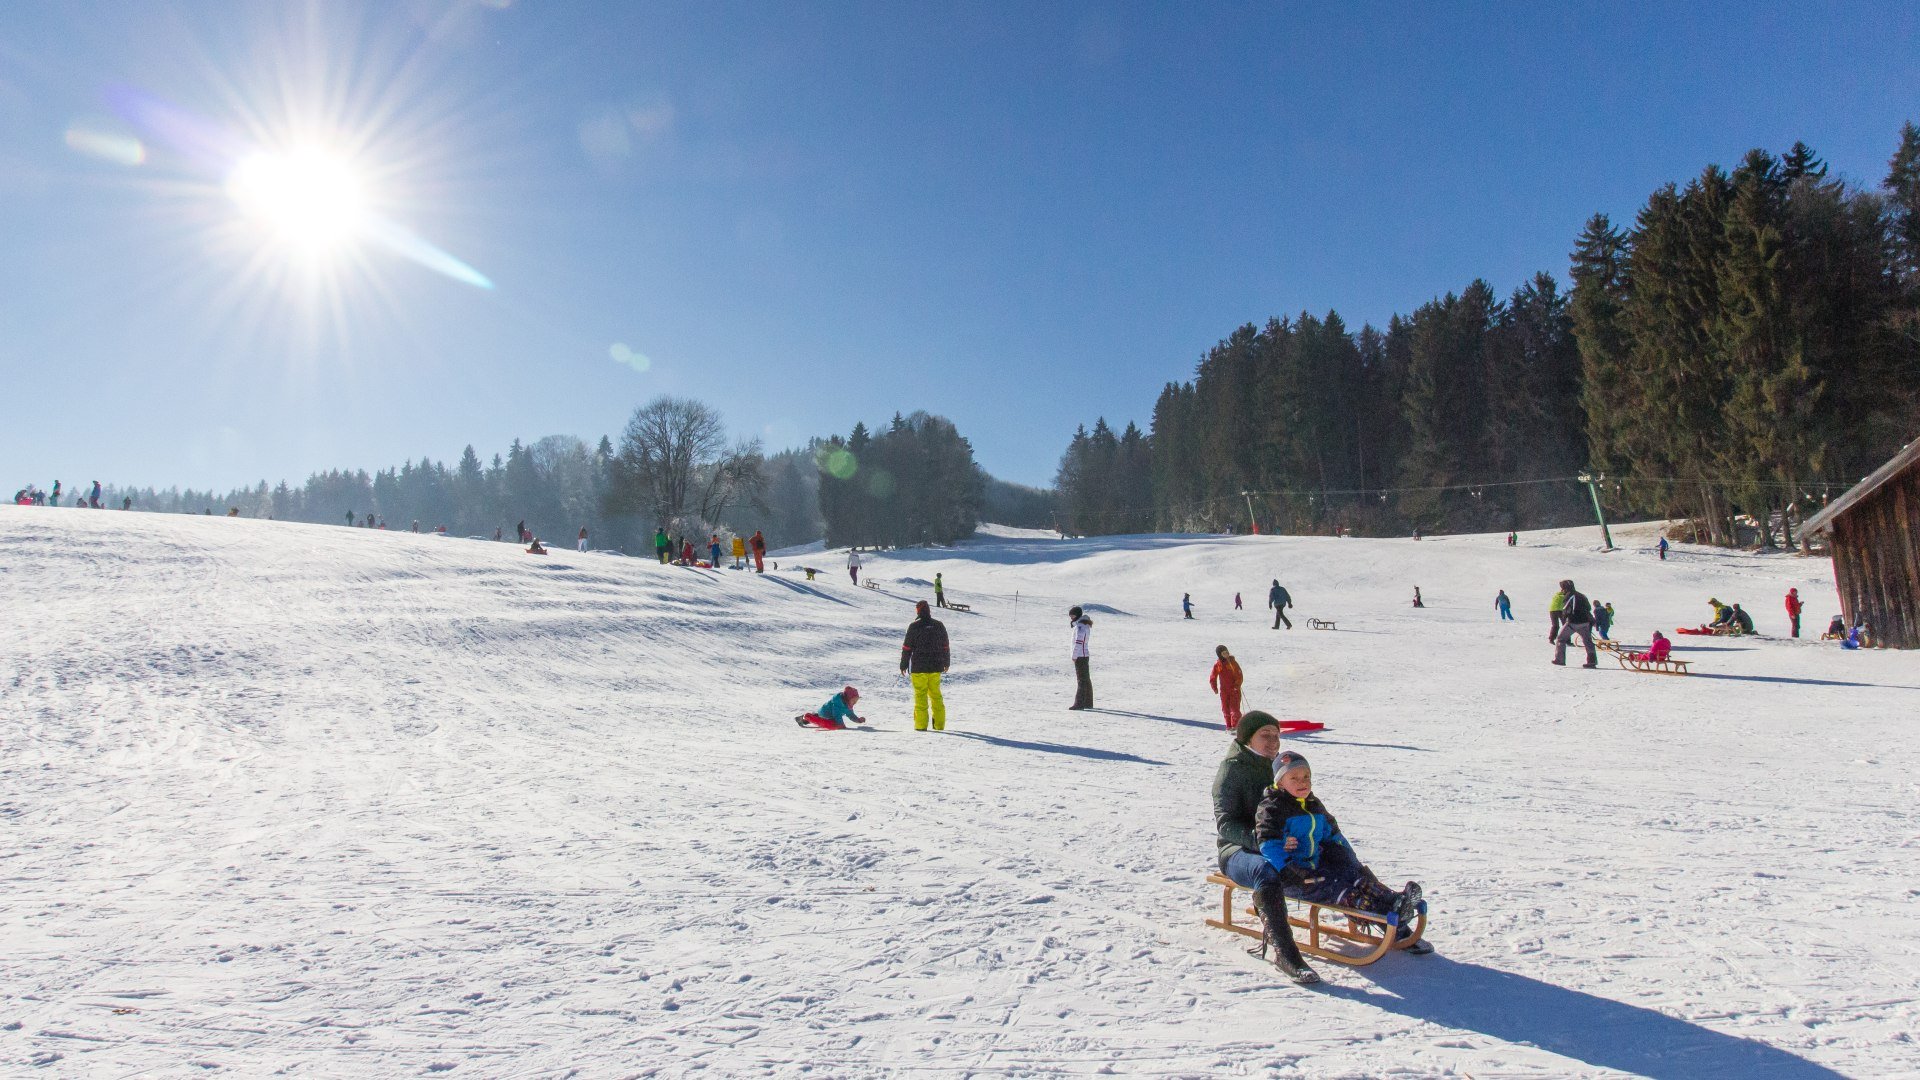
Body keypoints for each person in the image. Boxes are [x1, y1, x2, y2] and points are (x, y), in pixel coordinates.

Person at [1255, 751, 1428, 957]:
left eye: (1306, 777)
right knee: (1340, 890)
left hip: (1318, 868)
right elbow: (1268, 843)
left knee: (1356, 877)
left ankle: (1395, 901)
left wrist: (1349, 859)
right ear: (1280, 783)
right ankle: (1384, 915)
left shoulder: (1313, 804)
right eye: (1294, 778)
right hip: (1294, 878)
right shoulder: (1272, 808)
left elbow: (1334, 835)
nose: (1302, 782)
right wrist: (1289, 869)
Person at [1211, 711, 1318, 984]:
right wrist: (1264, 843)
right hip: (1237, 851)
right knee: (1266, 871)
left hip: (1282, 843)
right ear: (1247, 737)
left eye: (1276, 735)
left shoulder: (1278, 767)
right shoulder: (1232, 769)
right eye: (1265, 735)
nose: (1273, 741)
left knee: (1328, 855)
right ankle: (1286, 954)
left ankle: (1386, 920)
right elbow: (1226, 825)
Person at [900, 600, 950, 731]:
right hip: (936, 666)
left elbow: (907, 647)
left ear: (918, 611)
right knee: (936, 695)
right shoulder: (939, 625)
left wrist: (903, 664)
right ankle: (939, 725)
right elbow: (945, 646)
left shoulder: (914, 626)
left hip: (918, 667)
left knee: (920, 696)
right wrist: (946, 662)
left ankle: (921, 726)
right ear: (929, 610)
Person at [1552, 578, 1598, 667]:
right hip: (1585, 622)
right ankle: (1592, 661)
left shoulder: (1569, 595)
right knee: (1588, 642)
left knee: (1560, 639)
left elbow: (1566, 609)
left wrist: (1566, 619)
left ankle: (1560, 659)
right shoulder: (1582, 595)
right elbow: (1588, 608)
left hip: (1573, 622)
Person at [796, 686, 866, 730]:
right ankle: (806, 717)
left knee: (818, 716)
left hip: (830, 716)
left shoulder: (848, 705)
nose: (855, 702)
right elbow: (837, 715)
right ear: (847, 698)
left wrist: (858, 720)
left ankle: (803, 719)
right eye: (853, 700)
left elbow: (851, 715)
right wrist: (841, 724)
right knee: (830, 723)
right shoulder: (838, 703)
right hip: (825, 714)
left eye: (856, 700)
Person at [1208, 646, 1244, 729]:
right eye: (1224, 653)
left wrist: (1237, 686)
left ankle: (1236, 726)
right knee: (1225, 709)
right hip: (1224, 691)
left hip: (1234, 690)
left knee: (1234, 710)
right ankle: (1229, 726)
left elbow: (1239, 675)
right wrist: (1214, 687)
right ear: (1220, 655)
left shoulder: (1233, 663)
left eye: (1227, 652)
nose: (1226, 654)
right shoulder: (1218, 665)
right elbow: (1213, 676)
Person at [1068, 605, 1094, 710]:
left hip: (1080, 656)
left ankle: (1079, 703)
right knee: (1086, 680)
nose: (1071, 618)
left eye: (1073, 615)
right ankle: (1088, 702)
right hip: (1084, 655)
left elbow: (1079, 642)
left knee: (1082, 680)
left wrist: (1074, 656)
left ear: (1077, 615)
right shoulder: (1083, 625)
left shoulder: (1080, 626)